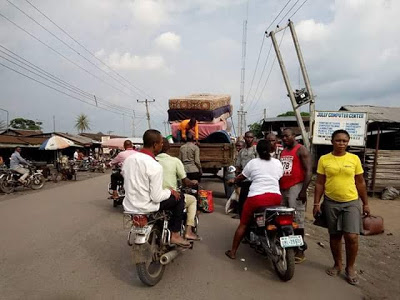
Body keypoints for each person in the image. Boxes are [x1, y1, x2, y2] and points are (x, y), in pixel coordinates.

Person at [314, 129, 370, 286]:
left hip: (351, 201)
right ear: (332, 141)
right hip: (331, 202)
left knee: (352, 236)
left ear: (348, 142)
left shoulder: (354, 159)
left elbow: (360, 182)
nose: (341, 143)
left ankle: (350, 268)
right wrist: (316, 203)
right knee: (335, 235)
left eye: (344, 141)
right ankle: (337, 264)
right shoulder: (324, 159)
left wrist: (365, 203)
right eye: (338, 140)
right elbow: (319, 182)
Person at [122, 129, 190, 247]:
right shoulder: (155, 165)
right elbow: (156, 196)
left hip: (129, 206)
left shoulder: (128, 160)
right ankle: (175, 234)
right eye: (161, 143)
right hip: (147, 206)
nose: (162, 145)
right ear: (155, 145)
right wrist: (169, 191)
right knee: (180, 198)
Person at [225, 140, 283, 259]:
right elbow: (279, 176)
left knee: (243, 224)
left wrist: (233, 181)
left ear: (257, 151)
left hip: (256, 198)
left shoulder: (253, 163)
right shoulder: (277, 163)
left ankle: (233, 252)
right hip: (275, 197)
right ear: (271, 150)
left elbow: (241, 177)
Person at [157, 138, 200, 240]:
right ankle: (188, 231)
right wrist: (192, 182)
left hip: (152, 197)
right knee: (192, 200)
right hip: (169, 196)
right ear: (169, 148)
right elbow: (185, 181)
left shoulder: (152, 160)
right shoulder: (175, 161)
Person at [279, 128, 311, 263]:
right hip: (283, 187)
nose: (284, 138)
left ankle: (300, 249)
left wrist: (303, 191)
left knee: (297, 220)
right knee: (284, 219)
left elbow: (309, 171)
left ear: (294, 136)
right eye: (283, 137)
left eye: (287, 136)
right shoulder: (284, 151)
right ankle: (289, 246)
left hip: (296, 187)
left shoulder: (301, 149)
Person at [235, 131, 257, 216]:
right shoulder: (242, 152)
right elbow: (238, 166)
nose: (249, 139)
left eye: (251, 137)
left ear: (253, 138)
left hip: (254, 181)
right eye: (247, 137)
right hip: (244, 181)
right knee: (242, 203)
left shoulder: (256, 150)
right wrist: (236, 178)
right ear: (244, 138)